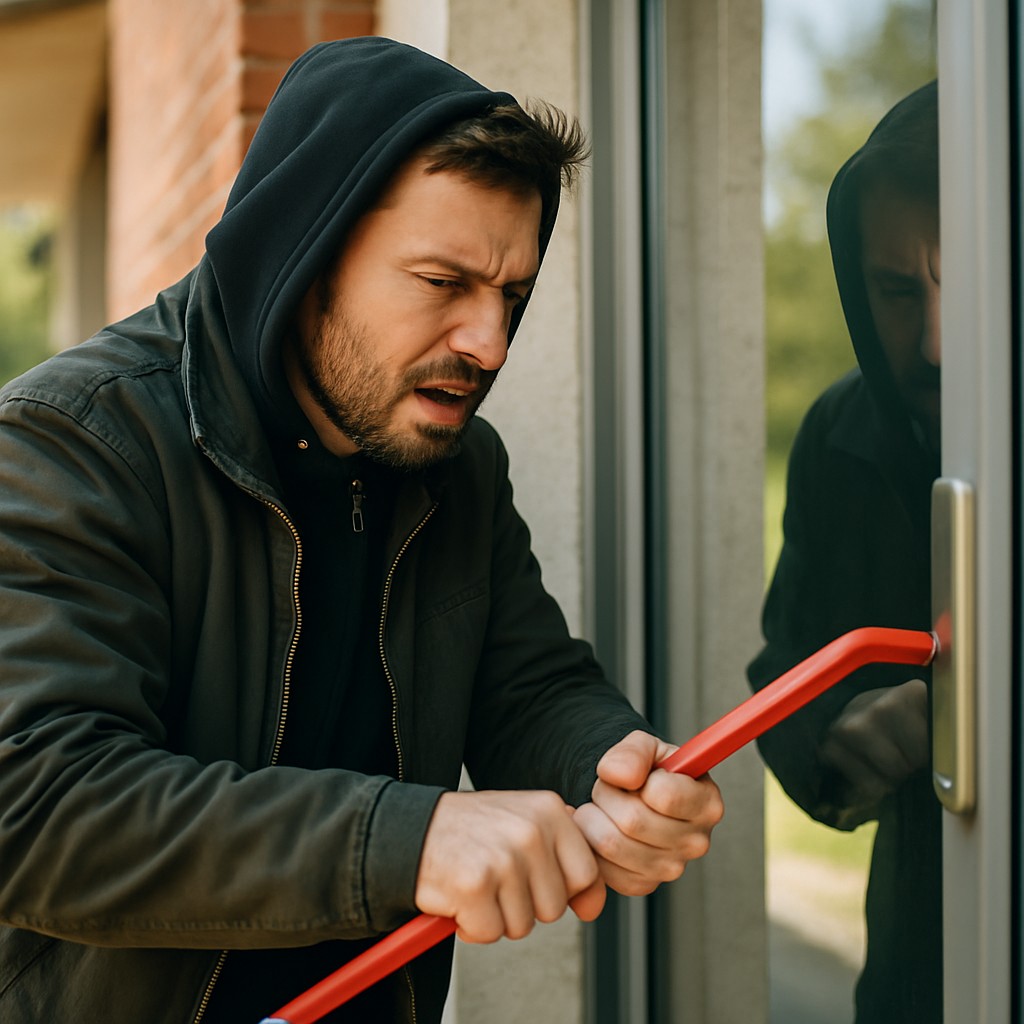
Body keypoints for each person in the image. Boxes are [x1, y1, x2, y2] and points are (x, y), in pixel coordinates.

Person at [0, 37, 723, 1024]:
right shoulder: (73, 441)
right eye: (442, 283)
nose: (489, 343)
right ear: (304, 251)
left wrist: (604, 761)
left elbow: (524, 685)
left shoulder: (455, 461)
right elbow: (36, 808)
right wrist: (408, 841)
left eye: (510, 294)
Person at [748, 80, 940, 1023]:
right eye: (899, 292)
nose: (937, 344)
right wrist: (840, 739)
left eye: (970, 288)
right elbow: (787, 667)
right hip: (923, 954)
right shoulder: (839, 433)